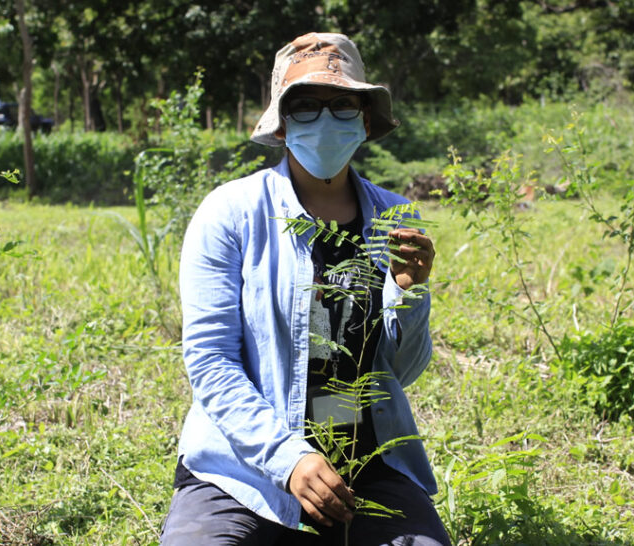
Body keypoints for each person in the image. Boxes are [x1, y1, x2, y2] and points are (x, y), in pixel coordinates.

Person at [160, 32, 448, 545]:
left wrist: (409, 294)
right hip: (242, 465)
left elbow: (401, 372)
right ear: (283, 121)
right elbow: (210, 361)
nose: (326, 118)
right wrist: (287, 459)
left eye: (341, 104)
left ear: (363, 116)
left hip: (364, 462)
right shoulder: (232, 213)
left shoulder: (395, 218)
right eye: (306, 106)